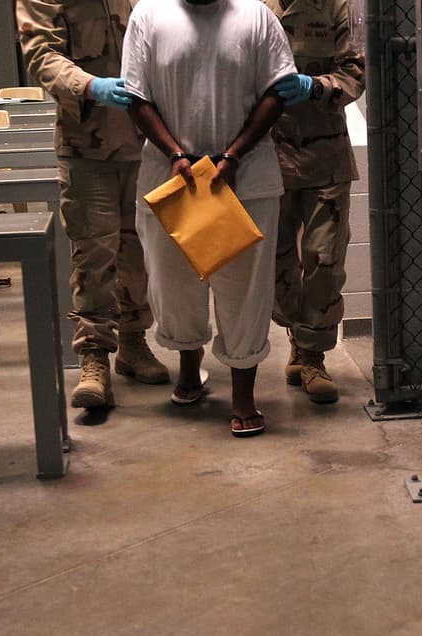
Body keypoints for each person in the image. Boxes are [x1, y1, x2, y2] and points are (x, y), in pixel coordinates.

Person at [121, 0, 297, 437]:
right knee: (173, 284)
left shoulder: (255, 16)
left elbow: (278, 90)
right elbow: (136, 96)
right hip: (171, 178)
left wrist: (235, 153)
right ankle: (188, 368)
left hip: (243, 180)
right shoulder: (149, 15)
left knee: (245, 289)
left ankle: (243, 395)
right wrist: (177, 155)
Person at [17, 0, 170, 411]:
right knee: (93, 252)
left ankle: (134, 344)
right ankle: (93, 359)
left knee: (139, 251)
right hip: (86, 146)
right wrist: (89, 85)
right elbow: (40, 53)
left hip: (146, 144)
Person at [264, 0, 364, 404]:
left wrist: (317, 86)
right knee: (276, 260)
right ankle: (295, 333)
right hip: (266, 156)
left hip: (325, 157)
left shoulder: (336, 6)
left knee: (323, 258)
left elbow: (355, 72)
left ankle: (312, 356)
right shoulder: (249, 6)